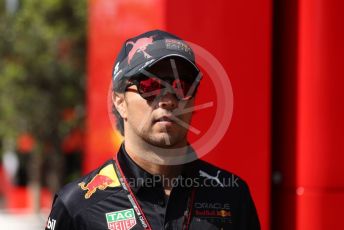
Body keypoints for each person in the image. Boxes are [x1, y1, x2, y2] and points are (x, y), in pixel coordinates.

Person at [45, 30, 260, 230]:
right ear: (120, 102)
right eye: (150, 86)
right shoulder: (76, 206)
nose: (168, 100)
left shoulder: (232, 195)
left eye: (181, 86)